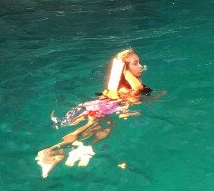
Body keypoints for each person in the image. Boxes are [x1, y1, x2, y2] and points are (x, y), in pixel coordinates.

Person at [36, 50, 151, 178]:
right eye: (135, 64)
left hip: (95, 106)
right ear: (125, 70)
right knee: (100, 130)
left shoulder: (118, 84)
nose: (140, 66)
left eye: (139, 62)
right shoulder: (126, 87)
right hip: (102, 109)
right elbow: (137, 97)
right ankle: (52, 152)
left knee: (94, 129)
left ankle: (57, 150)